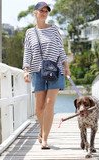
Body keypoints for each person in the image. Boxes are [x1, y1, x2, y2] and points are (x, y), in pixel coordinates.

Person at [23, 1, 71, 149]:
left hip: (55, 70)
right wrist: (26, 69)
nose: (44, 13)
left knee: (49, 104)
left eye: (46, 11)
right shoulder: (30, 32)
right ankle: (42, 130)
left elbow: (61, 49)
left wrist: (66, 66)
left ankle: (45, 139)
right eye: (41, 10)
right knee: (39, 107)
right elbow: (27, 52)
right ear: (35, 12)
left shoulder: (54, 29)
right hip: (37, 71)